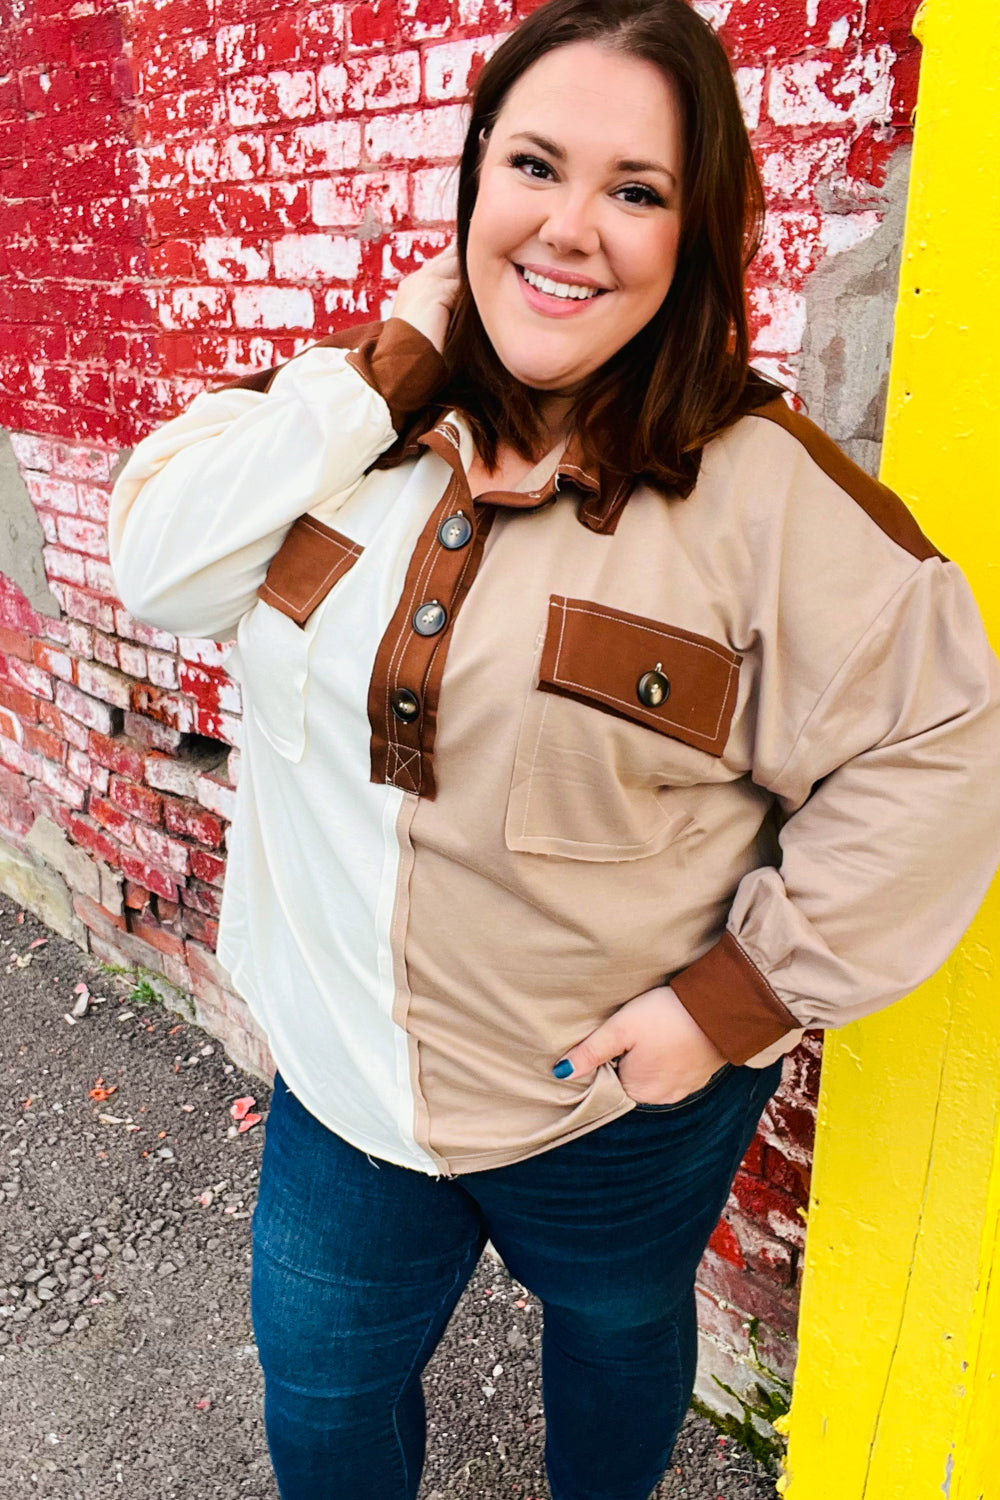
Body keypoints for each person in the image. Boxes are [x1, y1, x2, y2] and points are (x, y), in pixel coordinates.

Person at [107, 0, 1000, 1495]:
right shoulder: (351, 424)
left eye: (636, 190)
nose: (572, 226)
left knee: (614, 1337)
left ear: (695, 232)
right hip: (346, 1092)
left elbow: (940, 742)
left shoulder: (768, 496)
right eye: (533, 165)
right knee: (325, 1399)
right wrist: (391, 364)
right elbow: (160, 563)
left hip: (605, 1098)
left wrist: (731, 1002)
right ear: (473, 184)